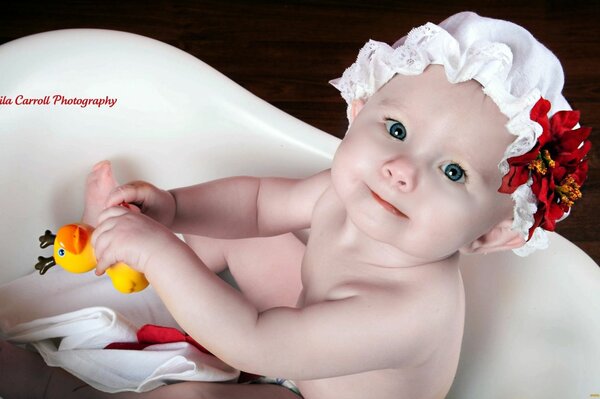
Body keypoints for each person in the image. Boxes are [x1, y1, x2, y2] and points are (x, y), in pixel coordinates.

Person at [0, 11, 590, 399]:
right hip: (301, 332)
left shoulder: (410, 312)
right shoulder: (356, 191)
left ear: (491, 234)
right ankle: (115, 245)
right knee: (241, 230)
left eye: (453, 170)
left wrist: (162, 255)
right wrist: (173, 211)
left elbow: (256, 338)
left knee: (193, 398)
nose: (400, 170)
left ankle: (55, 386)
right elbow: (258, 204)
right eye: (397, 129)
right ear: (358, 110)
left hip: (303, 377)